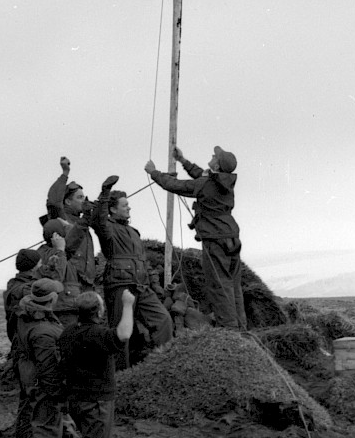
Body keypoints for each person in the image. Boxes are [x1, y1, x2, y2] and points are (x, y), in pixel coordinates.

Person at [143, 145, 244, 329]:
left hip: (215, 242)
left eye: (216, 156)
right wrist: (182, 160)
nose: (213, 155)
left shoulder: (207, 184)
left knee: (219, 286)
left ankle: (229, 330)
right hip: (232, 239)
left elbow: (175, 185)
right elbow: (201, 176)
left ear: (218, 166)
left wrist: (153, 172)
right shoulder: (224, 182)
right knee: (234, 286)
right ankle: (241, 329)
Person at [87, 185, 174, 366]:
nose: (129, 208)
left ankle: (163, 365)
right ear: (112, 209)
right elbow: (97, 220)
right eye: (125, 205)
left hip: (142, 286)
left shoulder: (134, 233)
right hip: (120, 285)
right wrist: (104, 192)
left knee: (163, 319)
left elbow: (143, 261)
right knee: (121, 332)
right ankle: (121, 377)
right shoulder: (107, 228)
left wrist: (155, 284)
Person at [60, 289, 138, 438]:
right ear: (99, 312)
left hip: (75, 399)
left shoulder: (68, 332)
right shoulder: (98, 334)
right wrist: (127, 305)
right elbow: (124, 333)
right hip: (97, 402)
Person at [19, 279, 67, 438]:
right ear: (52, 299)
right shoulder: (44, 331)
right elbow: (47, 367)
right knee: (47, 431)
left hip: (31, 377)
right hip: (44, 385)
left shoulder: (28, 314)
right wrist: (57, 393)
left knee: (58, 425)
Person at [3, 249, 43, 438]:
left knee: (26, 406)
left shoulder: (12, 286)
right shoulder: (24, 290)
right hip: (27, 354)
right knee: (29, 408)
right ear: (34, 266)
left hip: (19, 351)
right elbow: (42, 291)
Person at [45, 158, 101, 296]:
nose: (84, 200)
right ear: (68, 201)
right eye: (80, 197)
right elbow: (53, 201)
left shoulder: (83, 222)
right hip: (70, 284)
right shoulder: (61, 217)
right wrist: (65, 173)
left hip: (87, 284)